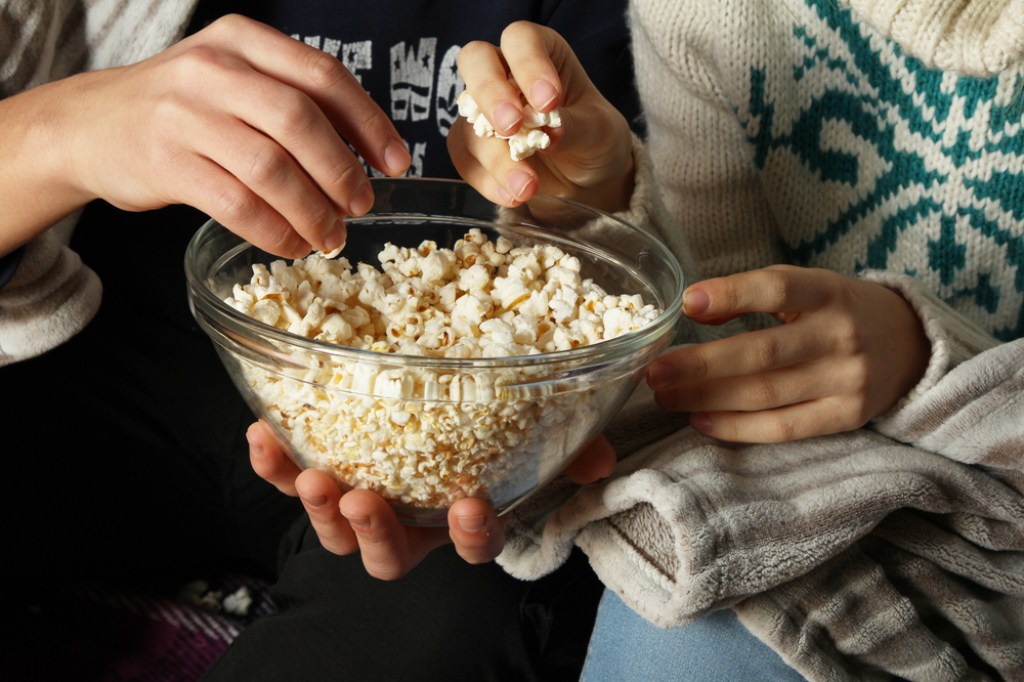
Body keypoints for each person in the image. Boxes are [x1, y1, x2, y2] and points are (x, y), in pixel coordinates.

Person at [0, 1, 639, 679]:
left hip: (442, 449)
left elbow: (663, 272)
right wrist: (54, 133)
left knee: (462, 606)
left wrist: (601, 196)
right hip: (88, 379)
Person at [439, 3, 1023, 680]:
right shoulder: (703, 13)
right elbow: (727, 350)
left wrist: (921, 359)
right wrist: (596, 211)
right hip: (823, 500)